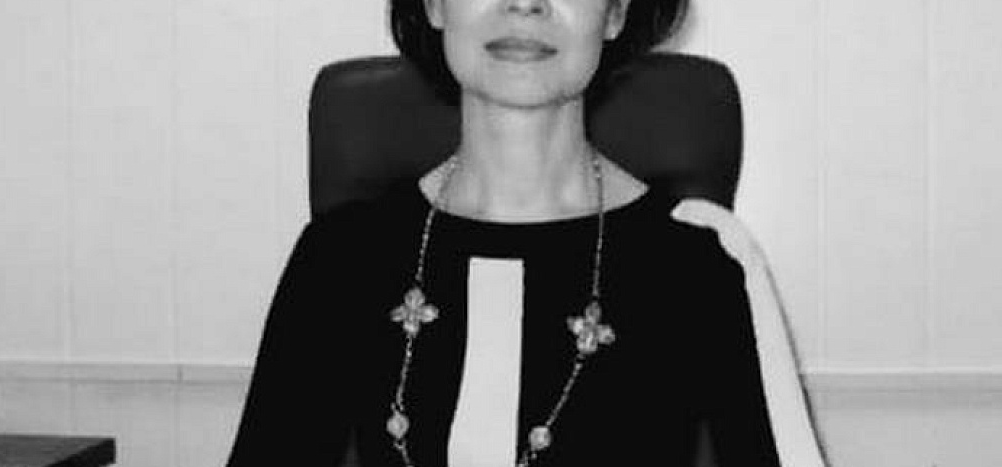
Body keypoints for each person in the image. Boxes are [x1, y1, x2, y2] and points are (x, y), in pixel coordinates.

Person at [226, 0, 783, 465]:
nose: (525, 3)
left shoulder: (701, 264)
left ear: (616, 12)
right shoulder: (339, 259)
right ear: (434, 5)